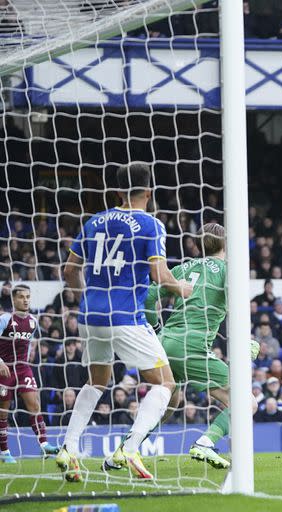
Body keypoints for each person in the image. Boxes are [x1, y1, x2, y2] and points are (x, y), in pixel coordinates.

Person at [57, 163, 192, 481]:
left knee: (96, 382)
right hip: (126, 317)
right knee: (165, 383)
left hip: (90, 316)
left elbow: (69, 270)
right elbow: (159, 274)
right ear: (149, 191)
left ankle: (68, 448)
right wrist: (180, 287)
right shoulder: (151, 224)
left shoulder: (94, 221)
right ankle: (130, 448)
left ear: (117, 191)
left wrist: (85, 298)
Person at [104, 223, 259, 471]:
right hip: (192, 347)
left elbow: (148, 299)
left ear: (199, 244)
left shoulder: (182, 268)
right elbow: (235, 307)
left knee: (168, 404)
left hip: (165, 343)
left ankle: (122, 452)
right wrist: (246, 341)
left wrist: (154, 329)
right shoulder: (228, 270)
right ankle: (205, 443)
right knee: (246, 402)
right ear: (226, 244)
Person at [0, 285, 59, 463]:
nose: (25, 300)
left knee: (34, 404)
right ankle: (4, 452)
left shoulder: (33, 321)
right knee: (3, 412)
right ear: (13, 300)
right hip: (4, 369)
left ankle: (44, 444)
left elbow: (28, 344)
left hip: (23, 368)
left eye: (28, 297)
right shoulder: (5, 319)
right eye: (21, 297)